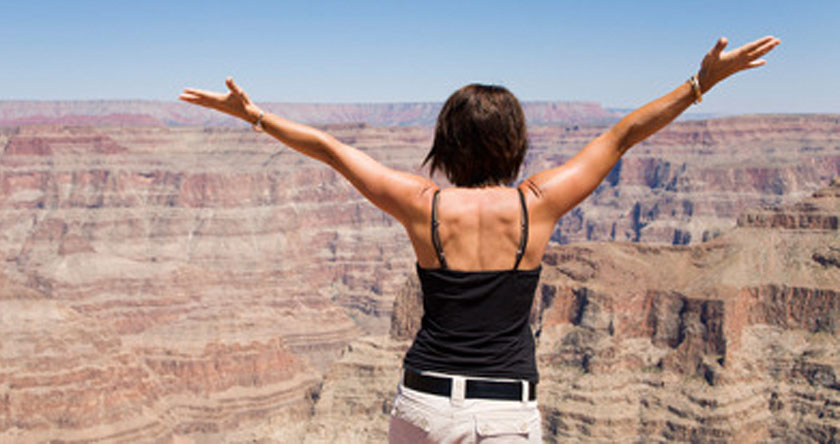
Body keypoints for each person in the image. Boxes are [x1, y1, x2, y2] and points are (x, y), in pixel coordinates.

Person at [180, 35, 780, 443]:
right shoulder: (536, 206)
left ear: (446, 144)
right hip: (504, 412)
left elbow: (333, 151)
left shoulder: (423, 206)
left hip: (423, 405)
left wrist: (256, 116)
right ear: (515, 143)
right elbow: (621, 137)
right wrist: (699, 84)